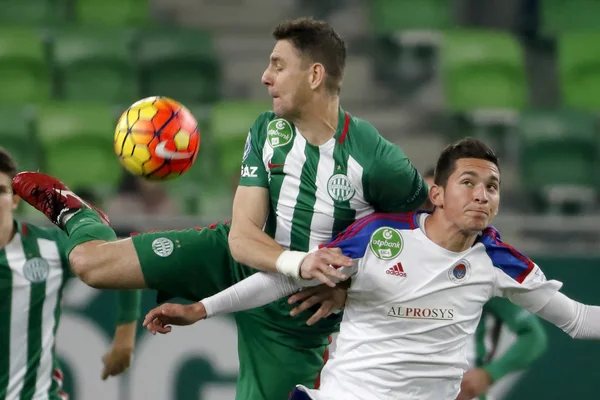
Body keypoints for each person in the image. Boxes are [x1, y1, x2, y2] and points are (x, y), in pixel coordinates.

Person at [11, 18, 427, 400]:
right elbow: (243, 237)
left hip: (294, 322)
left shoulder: (378, 161)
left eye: (278, 66)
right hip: (234, 258)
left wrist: (349, 287)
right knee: (89, 263)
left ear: (315, 75)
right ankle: (78, 212)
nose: (265, 77)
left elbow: (429, 240)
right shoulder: (269, 129)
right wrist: (303, 263)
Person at [144, 138, 600, 400]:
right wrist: (200, 310)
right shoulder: (381, 235)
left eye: (493, 186)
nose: (483, 195)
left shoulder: (499, 261)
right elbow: (287, 275)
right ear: (436, 194)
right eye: (469, 182)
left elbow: (578, 320)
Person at [0, 148, 139, 400]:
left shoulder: (49, 245)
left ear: (15, 200)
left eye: (0, 191)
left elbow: (120, 259)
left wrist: (125, 339)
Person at [421, 167, 548, 400]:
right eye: (426, 205)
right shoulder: (396, 262)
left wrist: (489, 374)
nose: (432, 212)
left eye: (440, 204)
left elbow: (533, 336)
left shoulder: (482, 268)